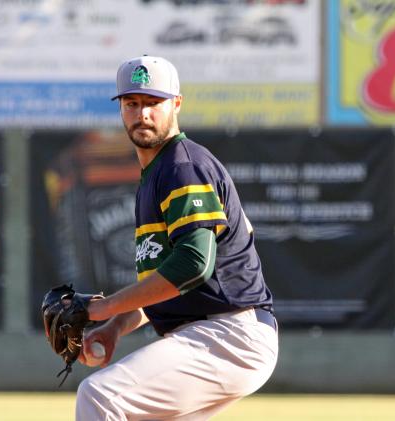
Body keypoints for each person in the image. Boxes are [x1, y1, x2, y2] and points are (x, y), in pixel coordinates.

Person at [76, 55, 279, 421]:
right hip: (213, 334)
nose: (143, 114)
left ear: (177, 104)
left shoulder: (181, 166)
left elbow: (192, 266)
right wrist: (116, 327)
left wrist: (103, 307)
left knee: (100, 397)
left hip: (227, 333)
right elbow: (169, 281)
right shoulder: (158, 172)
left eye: (154, 103)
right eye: (132, 103)